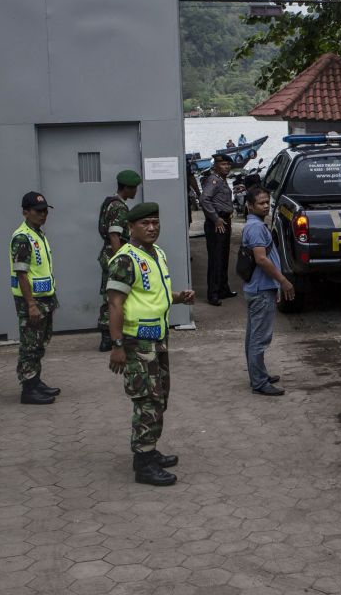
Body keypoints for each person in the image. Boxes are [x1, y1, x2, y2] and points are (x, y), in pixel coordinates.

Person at [106, 202, 195, 486]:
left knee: (160, 397)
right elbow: (115, 304)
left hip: (158, 340)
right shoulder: (124, 259)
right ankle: (143, 464)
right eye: (145, 223)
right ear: (131, 227)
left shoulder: (157, 253)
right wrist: (117, 345)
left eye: (155, 222)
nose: (152, 228)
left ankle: (149, 450)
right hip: (137, 343)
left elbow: (155, 294)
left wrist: (179, 296)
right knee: (147, 401)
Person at [241, 187, 295, 396]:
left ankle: (259, 374)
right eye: (261, 203)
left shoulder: (255, 225)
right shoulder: (254, 228)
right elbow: (261, 259)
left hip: (259, 288)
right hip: (261, 289)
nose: (266, 206)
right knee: (259, 338)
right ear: (250, 206)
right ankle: (259, 382)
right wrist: (283, 281)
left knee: (254, 336)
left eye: (267, 202)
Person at [9, 192, 62, 405]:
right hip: (31, 301)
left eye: (45, 211)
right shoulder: (22, 237)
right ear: (25, 212)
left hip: (45, 299)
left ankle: (36, 380)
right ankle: (28, 389)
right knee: (30, 344)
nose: (43, 215)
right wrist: (31, 304)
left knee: (39, 343)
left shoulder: (37, 233)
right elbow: (22, 274)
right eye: (38, 211)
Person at [97, 170, 141, 351]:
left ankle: (107, 335)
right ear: (127, 188)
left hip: (107, 253)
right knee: (114, 296)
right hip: (113, 254)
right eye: (134, 188)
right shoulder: (120, 208)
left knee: (108, 294)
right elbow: (114, 235)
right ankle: (108, 337)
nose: (136, 191)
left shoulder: (109, 202)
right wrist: (119, 260)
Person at [200, 154, 237, 306]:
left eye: (228, 164)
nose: (227, 166)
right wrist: (215, 218)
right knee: (216, 259)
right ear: (215, 165)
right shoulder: (213, 180)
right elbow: (204, 199)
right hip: (217, 223)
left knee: (224, 257)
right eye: (223, 164)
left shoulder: (222, 180)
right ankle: (213, 294)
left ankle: (223, 288)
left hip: (224, 222)